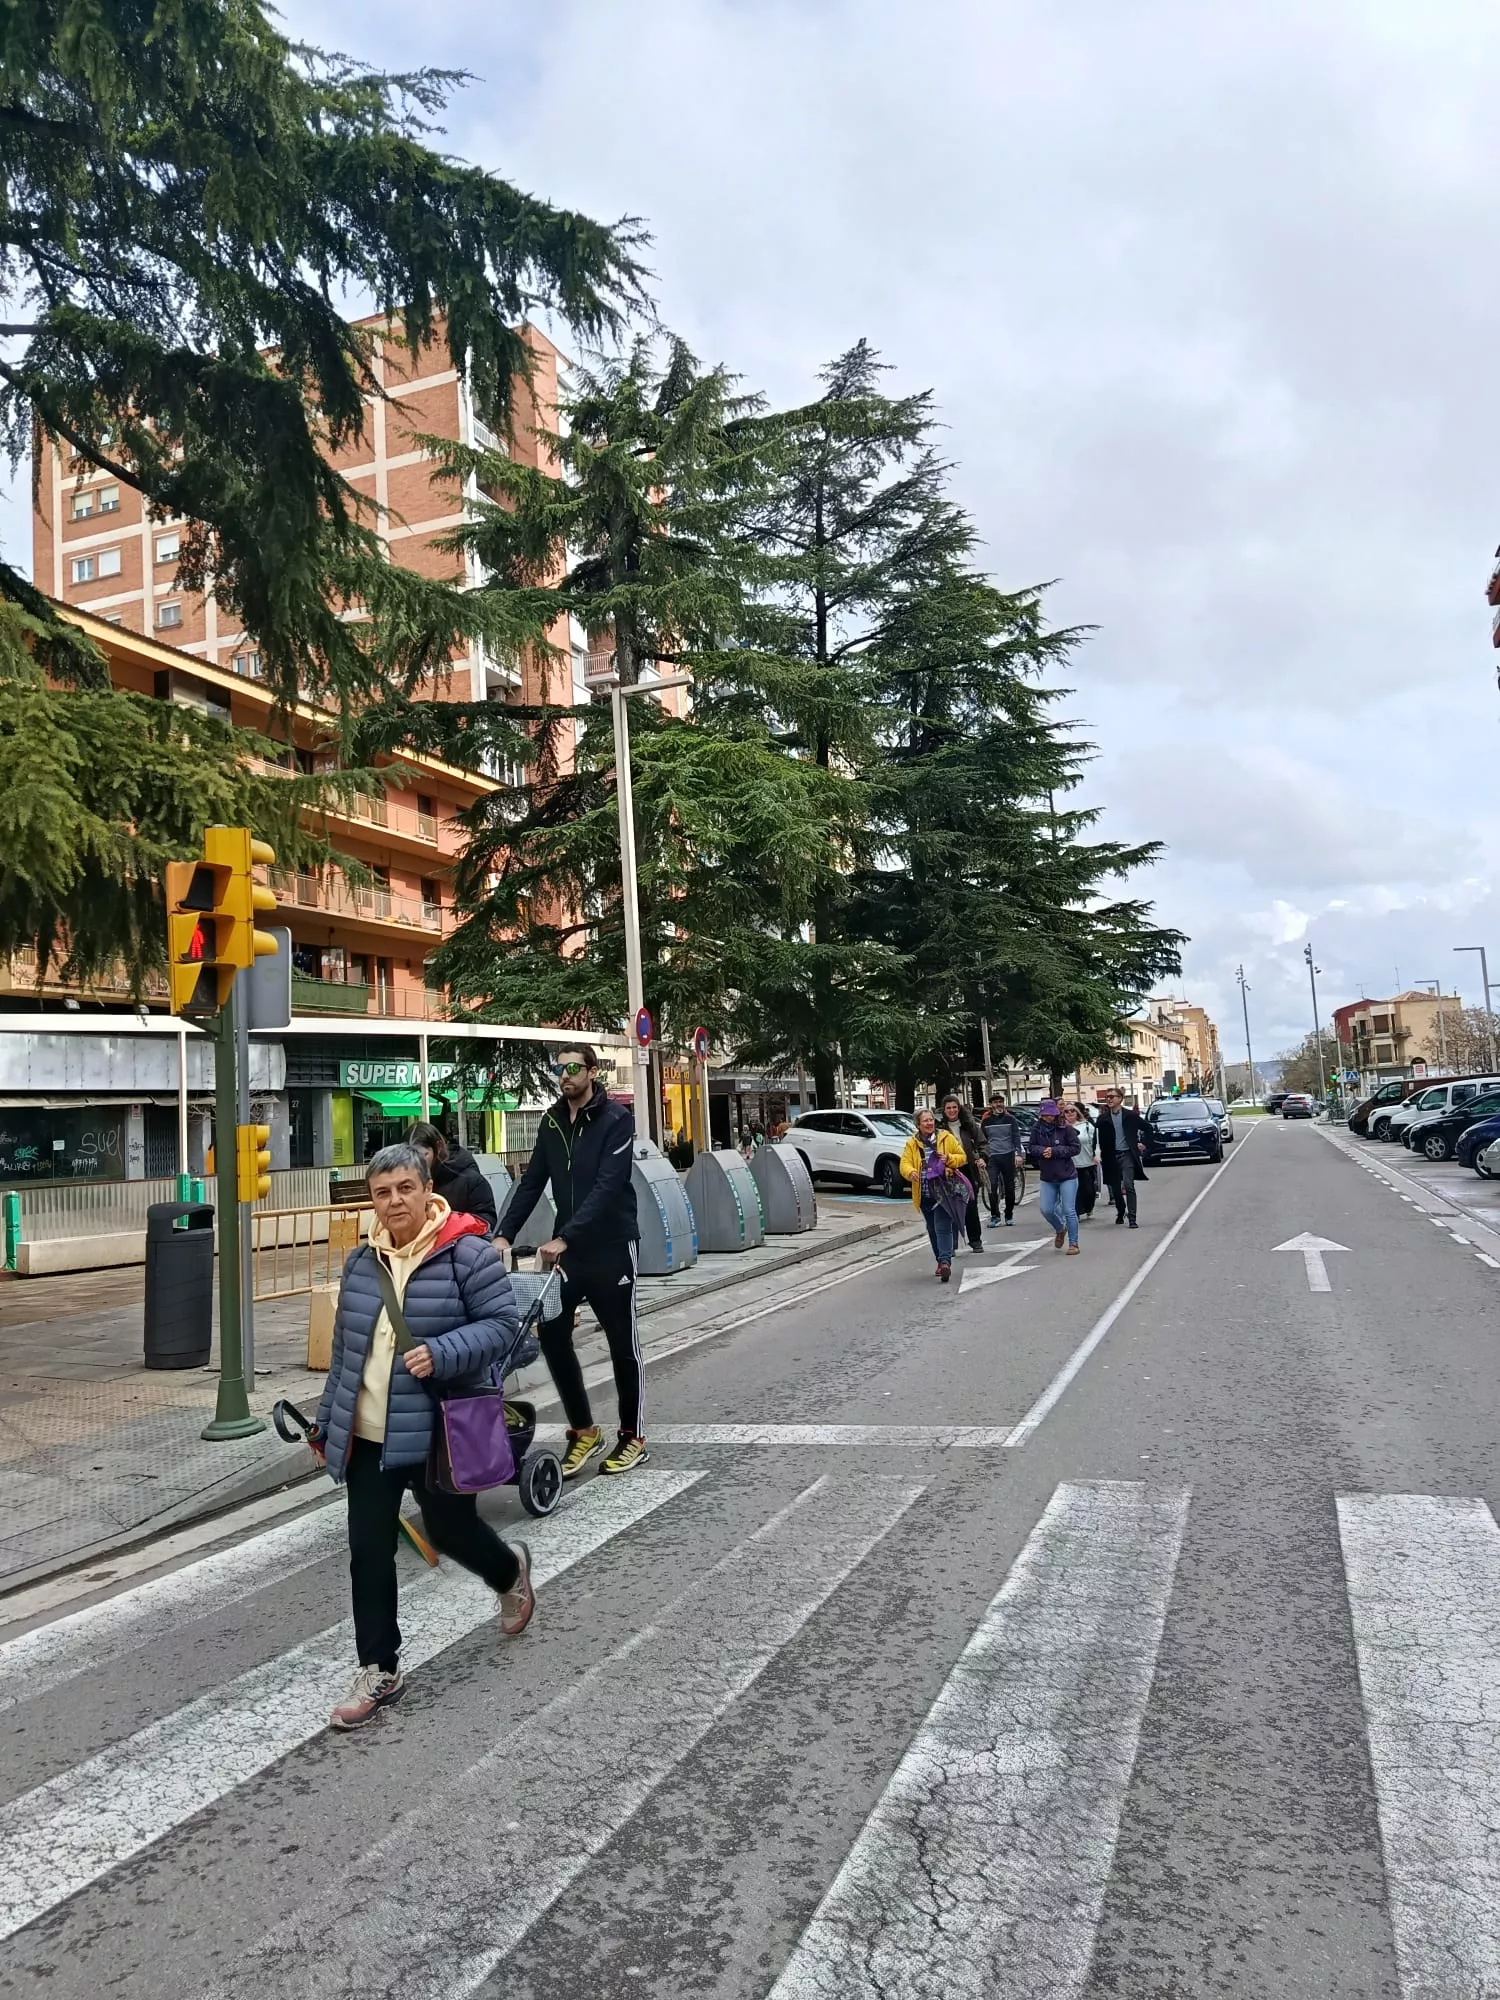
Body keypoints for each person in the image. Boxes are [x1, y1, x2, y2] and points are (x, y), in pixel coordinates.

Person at [311, 1143, 532, 1731]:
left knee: (449, 1528)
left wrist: (441, 1352)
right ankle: (380, 1669)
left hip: (437, 1430)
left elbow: (503, 1328)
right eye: (382, 1193)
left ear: (426, 1187)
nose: (393, 1202)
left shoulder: (467, 1253)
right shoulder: (362, 1263)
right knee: (368, 1550)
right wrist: (326, 1418)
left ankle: (508, 1574)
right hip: (370, 1435)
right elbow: (345, 1355)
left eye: (405, 1188)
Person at [495, 1045, 646, 1479]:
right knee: (554, 1334)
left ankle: (632, 1436)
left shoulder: (617, 1120)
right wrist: (504, 1233)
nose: (564, 1075)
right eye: (557, 1069)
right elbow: (531, 1182)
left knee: (623, 1342)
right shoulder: (551, 1122)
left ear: (593, 1072)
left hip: (612, 1246)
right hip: (569, 1254)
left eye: (572, 1068)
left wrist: (565, 1236)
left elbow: (608, 1185)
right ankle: (583, 1430)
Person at [899, 1109, 969, 1282]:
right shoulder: (912, 1143)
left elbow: (963, 1157)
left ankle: (945, 1262)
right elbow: (904, 1164)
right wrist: (911, 1172)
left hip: (944, 1192)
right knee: (932, 1229)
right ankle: (940, 1260)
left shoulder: (946, 1138)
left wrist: (950, 1159)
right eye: (925, 1121)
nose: (929, 1123)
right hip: (924, 1193)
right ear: (918, 1125)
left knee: (942, 1227)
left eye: (931, 1120)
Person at [406, 1120, 498, 1235]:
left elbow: (486, 1221)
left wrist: (451, 1227)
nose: (415, 1163)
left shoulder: (469, 1179)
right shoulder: (403, 1183)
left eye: (422, 1155)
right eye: (409, 1157)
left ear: (438, 1146)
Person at [1027, 1098, 1081, 1253]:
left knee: (1068, 1209)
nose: (1048, 1118)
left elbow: (1075, 1148)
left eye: (1051, 1114)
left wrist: (1055, 1151)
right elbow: (1031, 1147)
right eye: (1045, 1115)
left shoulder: (1066, 1129)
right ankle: (1060, 1228)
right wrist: (1042, 1151)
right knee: (1046, 1209)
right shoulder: (1036, 1129)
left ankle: (1073, 1243)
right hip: (1047, 1176)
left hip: (1067, 1175)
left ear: (1056, 1114)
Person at [939, 1092, 986, 1252]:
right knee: (950, 1207)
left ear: (959, 1109)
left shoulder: (969, 1125)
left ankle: (975, 1240)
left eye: (954, 1107)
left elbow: (983, 1144)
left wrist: (982, 1157)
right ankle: (951, 1244)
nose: (952, 1111)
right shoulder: (939, 1129)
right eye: (948, 1108)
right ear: (944, 1110)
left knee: (970, 1205)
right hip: (948, 1172)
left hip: (968, 1170)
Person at [1096, 1086, 1149, 1228]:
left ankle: (1132, 1218)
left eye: (1112, 1097)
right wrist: (1096, 1153)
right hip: (1110, 1156)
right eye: (1107, 1097)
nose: (1109, 1099)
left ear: (1120, 1099)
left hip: (1127, 1154)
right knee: (1115, 1189)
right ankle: (1121, 1211)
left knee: (1128, 1184)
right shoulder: (1103, 1119)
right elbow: (1096, 1138)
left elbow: (1148, 1128)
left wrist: (1142, 1143)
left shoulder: (1130, 1116)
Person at [980, 1093, 1024, 1227]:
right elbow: (982, 1140)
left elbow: (1016, 1137)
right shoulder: (986, 1122)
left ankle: (1009, 1214)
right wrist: (982, 1156)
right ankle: (995, 1216)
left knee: (1010, 1188)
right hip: (992, 1158)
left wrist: (1018, 1154)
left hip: (1008, 1155)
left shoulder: (1010, 1120)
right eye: (995, 1102)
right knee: (992, 1187)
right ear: (990, 1105)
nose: (998, 1104)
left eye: (1000, 1102)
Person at [1067, 1102, 1099, 1220]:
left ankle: (1088, 1207)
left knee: (1089, 1191)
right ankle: (1077, 1211)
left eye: (1072, 1110)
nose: (1070, 1113)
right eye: (1066, 1111)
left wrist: (1097, 1155)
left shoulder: (1086, 1126)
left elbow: (1096, 1142)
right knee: (1074, 1190)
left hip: (1087, 1162)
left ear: (1077, 1113)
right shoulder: (1061, 1128)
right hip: (1070, 1165)